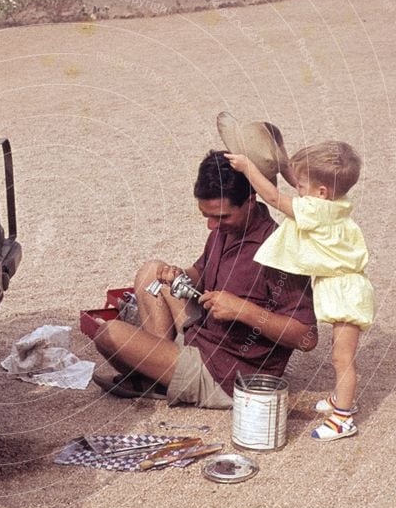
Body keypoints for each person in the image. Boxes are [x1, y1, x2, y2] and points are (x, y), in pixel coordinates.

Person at [92, 150, 318, 411]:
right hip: (206, 339)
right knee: (151, 272)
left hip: (229, 373)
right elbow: (202, 272)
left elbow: (307, 337)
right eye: (206, 216)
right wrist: (178, 275)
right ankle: (160, 372)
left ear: (250, 201)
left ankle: (155, 374)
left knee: (108, 334)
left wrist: (243, 310)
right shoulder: (226, 230)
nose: (212, 225)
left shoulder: (279, 252)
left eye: (221, 216)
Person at [226, 141, 374, 441]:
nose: (297, 189)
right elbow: (304, 187)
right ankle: (339, 399)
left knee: (342, 358)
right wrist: (284, 166)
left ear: (320, 192)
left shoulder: (315, 210)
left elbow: (273, 197)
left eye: (302, 185)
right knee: (340, 354)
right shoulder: (335, 202)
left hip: (344, 290)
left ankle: (343, 418)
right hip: (347, 285)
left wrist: (247, 166)